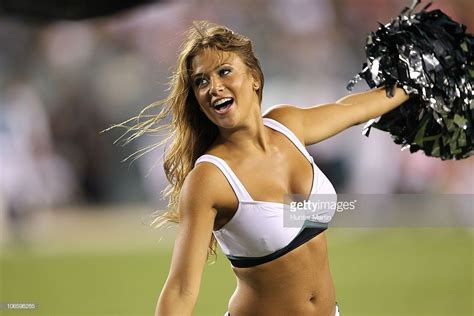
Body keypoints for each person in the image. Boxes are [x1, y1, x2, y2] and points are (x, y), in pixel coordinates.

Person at [127, 21, 409, 316]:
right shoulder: (209, 178)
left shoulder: (287, 125)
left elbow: (351, 110)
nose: (213, 87)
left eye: (224, 72)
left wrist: (413, 84)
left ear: (254, 79)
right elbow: (181, 289)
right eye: (201, 81)